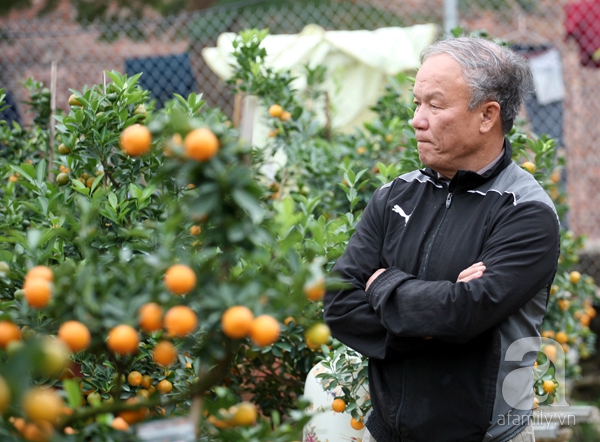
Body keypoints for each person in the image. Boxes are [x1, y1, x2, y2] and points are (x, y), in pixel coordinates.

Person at [323, 37, 560, 442]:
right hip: (387, 433)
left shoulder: (525, 212)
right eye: (417, 103)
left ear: (487, 116)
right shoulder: (394, 196)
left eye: (434, 105)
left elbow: (464, 313)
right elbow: (340, 302)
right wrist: (434, 321)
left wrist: (381, 285)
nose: (417, 119)